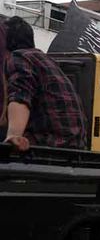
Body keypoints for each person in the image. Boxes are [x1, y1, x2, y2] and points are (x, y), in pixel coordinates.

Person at [3, 16, 86, 151]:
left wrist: (14, 135)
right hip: (74, 145)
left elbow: (20, 95)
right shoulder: (44, 59)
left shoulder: (19, 57)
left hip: (50, 143)